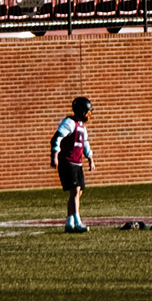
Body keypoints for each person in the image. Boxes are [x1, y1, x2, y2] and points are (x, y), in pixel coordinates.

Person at [54, 99, 97, 233]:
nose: (88, 115)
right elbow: (57, 138)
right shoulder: (69, 123)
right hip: (68, 161)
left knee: (78, 192)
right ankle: (77, 221)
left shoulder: (82, 126)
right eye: (86, 111)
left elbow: (85, 143)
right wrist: (54, 155)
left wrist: (90, 158)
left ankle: (69, 221)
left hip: (77, 162)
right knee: (75, 190)